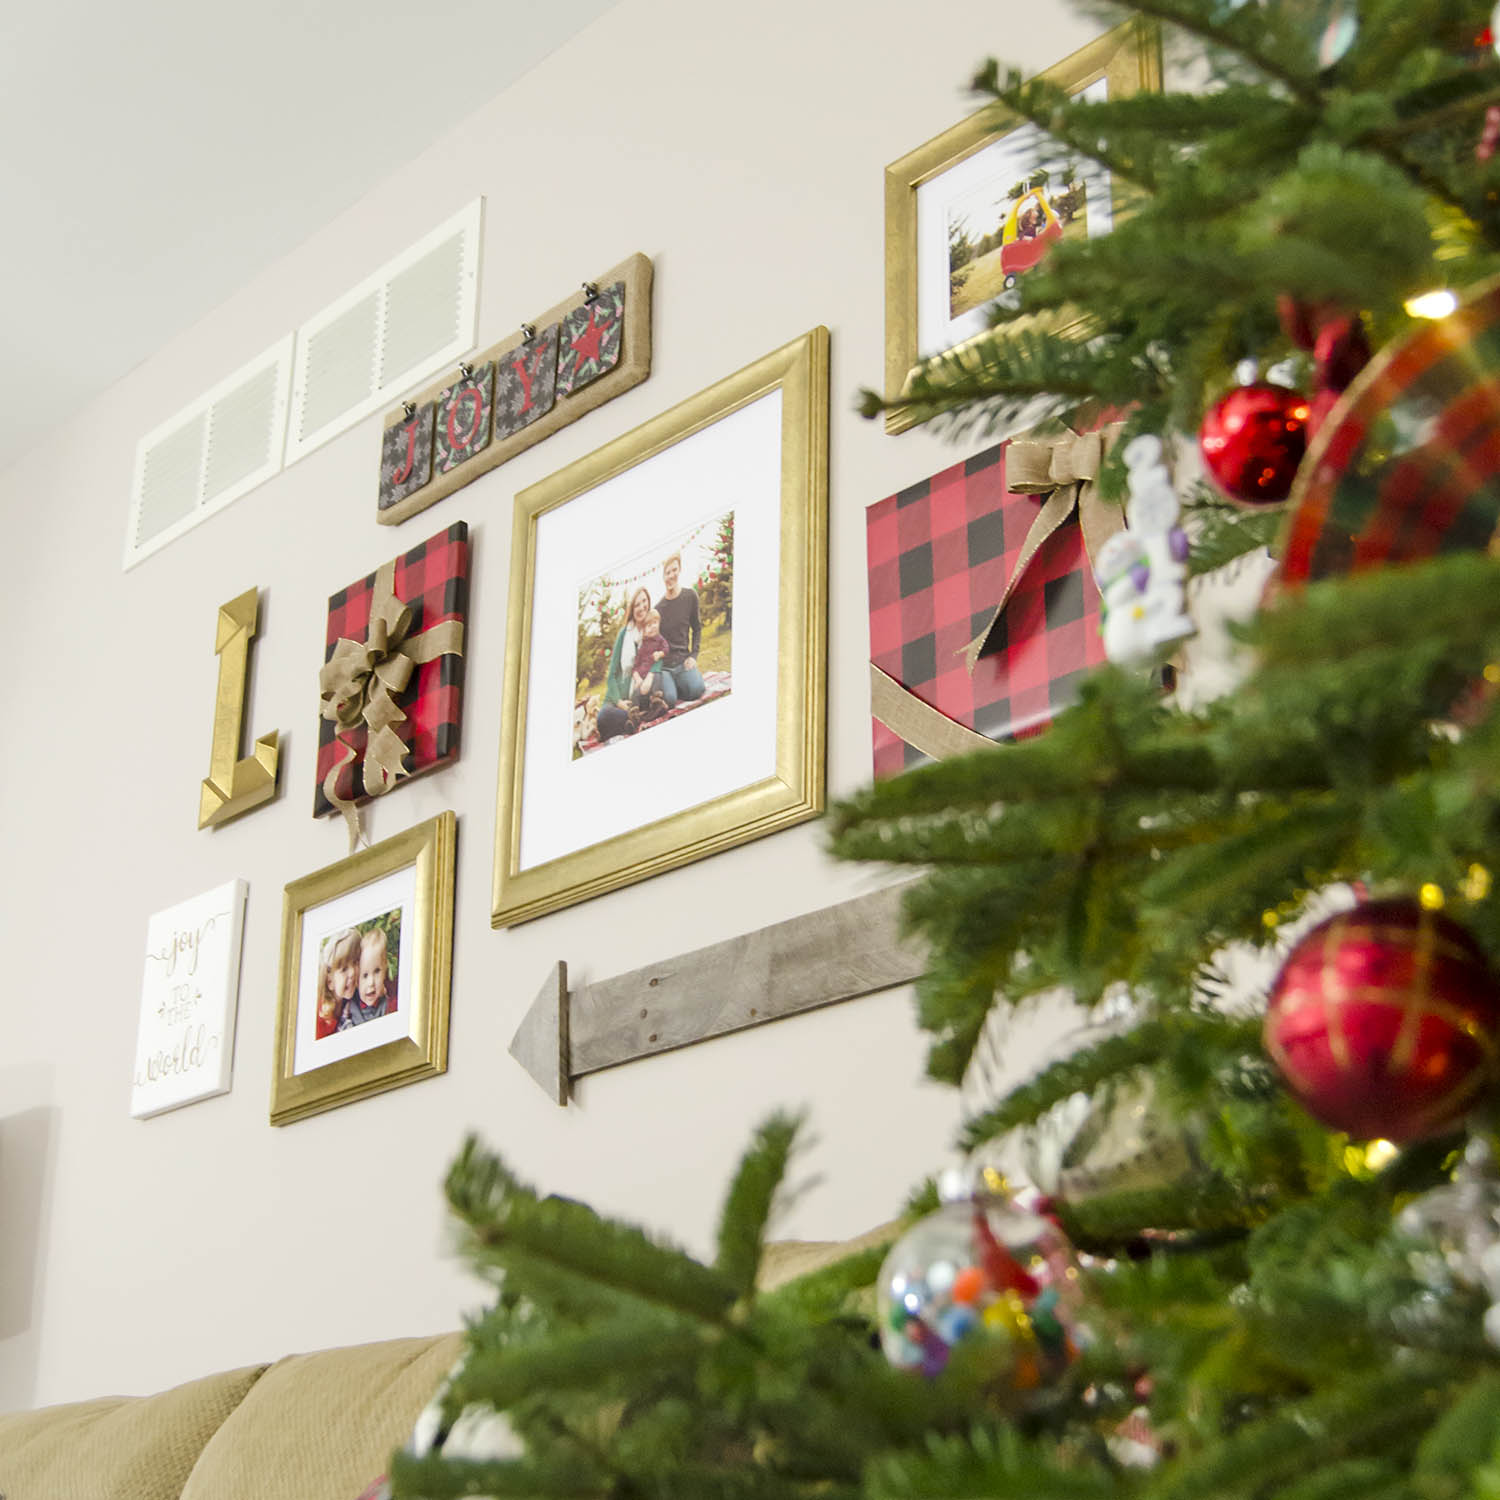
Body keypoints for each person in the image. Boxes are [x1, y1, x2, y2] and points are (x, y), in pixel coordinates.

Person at [595, 586, 652, 742]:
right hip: (617, 699)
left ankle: (631, 720)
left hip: (638, 695)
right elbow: (611, 675)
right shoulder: (624, 634)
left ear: (649, 602)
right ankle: (632, 720)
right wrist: (619, 702)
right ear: (632, 609)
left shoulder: (652, 632)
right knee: (603, 717)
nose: (641, 607)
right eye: (637, 605)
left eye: (644, 602)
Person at [653, 552, 705, 707]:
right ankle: (669, 686)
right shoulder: (658, 609)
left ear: (680, 570)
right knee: (669, 700)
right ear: (663, 577)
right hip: (665, 667)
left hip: (683, 662)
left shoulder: (690, 596)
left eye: (674, 570)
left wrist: (693, 656)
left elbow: (697, 629)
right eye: (667, 573)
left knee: (696, 689)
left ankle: (680, 684)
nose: (670, 576)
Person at [338, 926, 397, 1029]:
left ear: (385, 969)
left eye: (377, 971)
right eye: (365, 975)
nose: (371, 982)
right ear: (356, 980)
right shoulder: (349, 1008)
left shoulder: (387, 1005)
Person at [317, 928, 360, 1038]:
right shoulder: (320, 1018)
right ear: (330, 981)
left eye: (356, 962)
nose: (352, 973)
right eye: (344, 969)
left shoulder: (354, 1000)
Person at [630, 609, 670, 703]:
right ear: (643, 631)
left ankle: (656, 698)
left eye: (655, 623)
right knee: (636, 692)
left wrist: (660, 653)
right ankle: (635, 707)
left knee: (657, 676)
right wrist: (638, 678)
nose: (652, 627)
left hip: (653, 672)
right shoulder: (642, 646)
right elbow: (635, 666)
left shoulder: (660, 639)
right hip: (642, 676)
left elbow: (666, 648)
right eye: (648, 625)